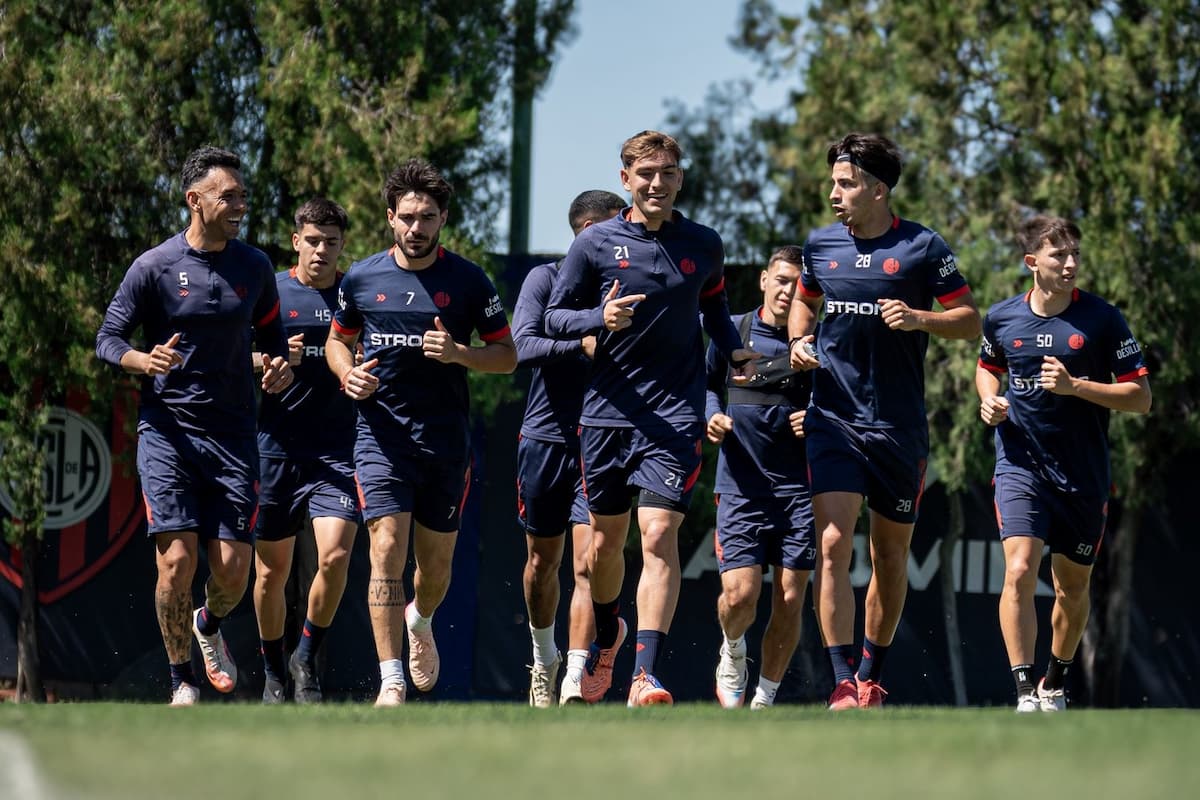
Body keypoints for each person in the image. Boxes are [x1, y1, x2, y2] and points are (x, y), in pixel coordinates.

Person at [545, 130, 756, 707]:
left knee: (658, 535)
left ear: (680, 179)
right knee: (601, 551)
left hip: (675, 416)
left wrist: (730, 346)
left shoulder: (704, 244)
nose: (656, 183)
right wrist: (598, 316)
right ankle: (609, 633)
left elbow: (712, 304)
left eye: (666, 173)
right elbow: (555, 318)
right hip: (608, 415)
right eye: (645, 174)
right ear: (626, 180)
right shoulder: (593, 246)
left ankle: (645, 674)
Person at [787, 133, 981, 710]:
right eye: (833, 183)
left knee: (889, 557)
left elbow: (970, 321)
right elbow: (804, 299)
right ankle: (842, 679)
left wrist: (921, 318)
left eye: (845, 184)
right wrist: (799, 338)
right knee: (831, 544)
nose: (834, 193)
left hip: (898, 427)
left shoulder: (923, 246)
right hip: (833, 418)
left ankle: (871, 673)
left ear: (877, 189)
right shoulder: (820, 245)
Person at [96, 145, 293, 706]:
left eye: (242, 196)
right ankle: (182, 679)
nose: (238, 205)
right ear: (194, 200)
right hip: (168, 434)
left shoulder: (254, 267)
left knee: (233, 571)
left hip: (233, 435)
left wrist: (276, 368)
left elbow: (272, 340)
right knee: (177, 560)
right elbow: (107, 340)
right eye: (226, 196)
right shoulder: (153, 267)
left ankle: (208, 624)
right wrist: (144, 360)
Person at [326, 158, 516, 707]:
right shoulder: (361, 277)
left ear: (443, 219)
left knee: (433, 570)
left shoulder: (468, 280)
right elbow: (340, 341)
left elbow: (506, 357)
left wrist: (460, 353)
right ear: (390, 218)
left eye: (427, 217)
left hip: (445, 444)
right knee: (385, 547)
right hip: (380, 439)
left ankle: (421, 617)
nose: (417, 227)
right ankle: (390, 680)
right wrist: (346, 372)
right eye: (407, 216)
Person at [976, 215, 1150, 712]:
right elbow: (988, 369)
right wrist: (989, 400)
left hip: (1082, 474)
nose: (1071, 263)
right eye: (1059, 255)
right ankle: (1025, 691)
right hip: (1019, 464)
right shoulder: (1002, 318)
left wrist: (1078, 388)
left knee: (1071, 587)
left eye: (1075, 254)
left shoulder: (1103, 319)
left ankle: (1055, 681)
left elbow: (1141, 398)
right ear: (1032, 263)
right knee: (1018, 569)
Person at [513, 190, 624, 707]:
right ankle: (544, 657)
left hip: (602, 440)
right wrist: (579, 341)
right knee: (541, 564)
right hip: (545, 439)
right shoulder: (547, 278)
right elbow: (521, 344)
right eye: (604, 232)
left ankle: (576, 678)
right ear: (583, 233)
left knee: (588, 561)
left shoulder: (630, 287)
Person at [252, 198, 360, 704]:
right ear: (296, 240)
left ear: (343, 246)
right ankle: (274, 671)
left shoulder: (354, 293)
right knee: (270, 572)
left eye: (331, 242)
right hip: (276, 450)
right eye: (312, 241)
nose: (321, 250)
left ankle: (305, 658)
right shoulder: (270, 290)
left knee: (335, 555)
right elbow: (230, 353)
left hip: (339, 451)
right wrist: (268, 360)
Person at [706, 247, 814, 710]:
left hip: (800, 493)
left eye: (800, 284)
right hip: (740, 488)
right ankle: (732, 651)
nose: (790, 291)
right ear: (766, 280)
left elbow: (842, 406)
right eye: (783, 280)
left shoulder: (815, 345)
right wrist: (711, 415)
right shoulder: (733, 332)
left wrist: (817, 417)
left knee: (790, 598)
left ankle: (764, 698)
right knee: (740, 594)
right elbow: (706, 385)